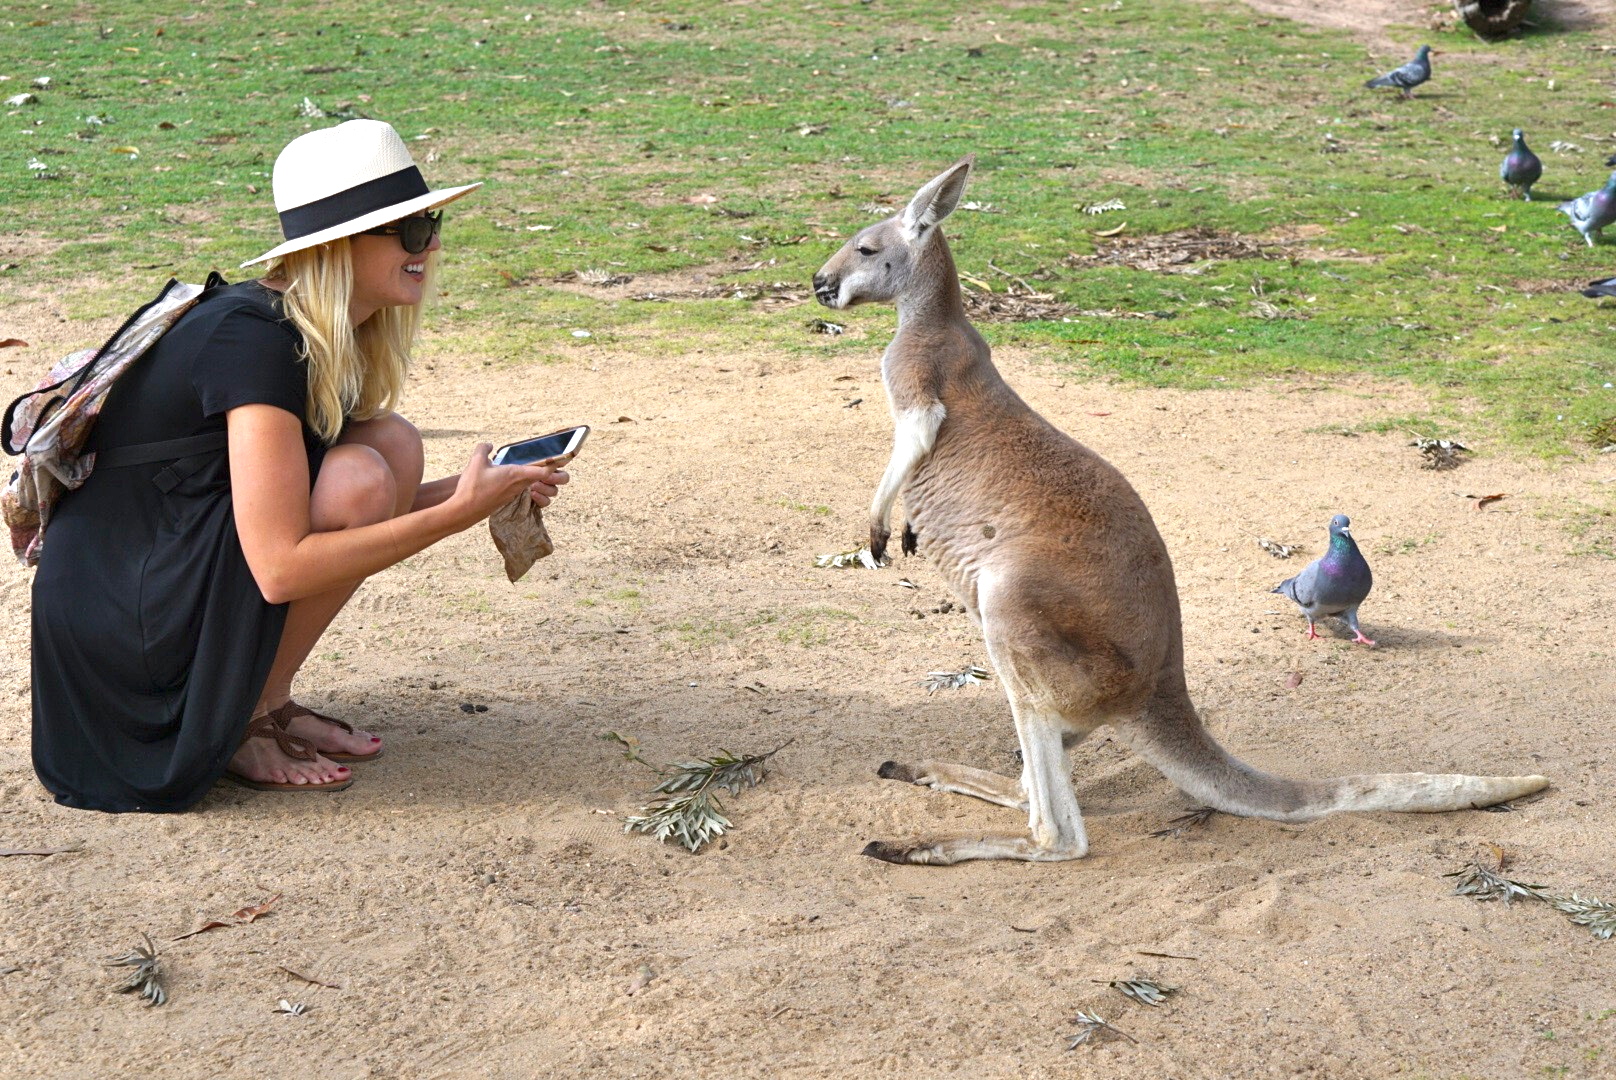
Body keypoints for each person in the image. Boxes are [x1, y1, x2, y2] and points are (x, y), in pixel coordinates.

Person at [29, 119, 568, 811]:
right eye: (407, 231)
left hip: (166, 576)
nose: (429, 245)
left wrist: (487, 493)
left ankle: (263, 698)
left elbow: (300, 521)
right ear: (338, 245)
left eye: (429, 223)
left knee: (391, 444)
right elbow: (282, 563)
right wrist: (459, 512)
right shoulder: (252, 338)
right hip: (124, 651)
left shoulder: (318, 330)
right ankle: (236, 720)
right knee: (363, 474)